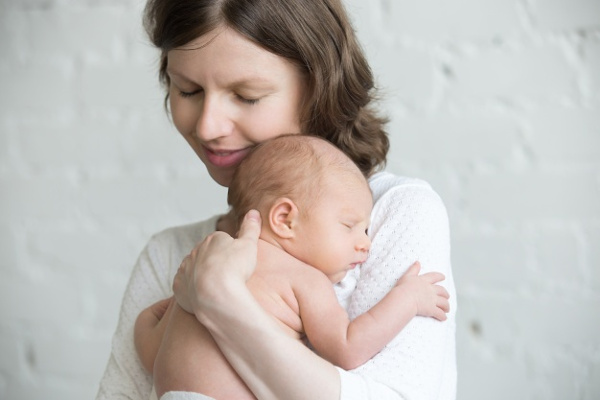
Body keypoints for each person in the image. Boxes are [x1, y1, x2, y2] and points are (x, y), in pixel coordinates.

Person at [96, 0, 457, 399]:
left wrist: (223, 302)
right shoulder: (168, 255)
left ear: (318, 87)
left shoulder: (397, 213)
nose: (208, 125)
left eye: (247, 96)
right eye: (189, 90)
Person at [133, 135, 450, 399]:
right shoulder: (305, 279)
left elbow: (152, 355)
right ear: (285, 219)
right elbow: (348, 348)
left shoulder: (211, 260)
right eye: (349, 225)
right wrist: (406, 300)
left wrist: (149, 316)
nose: (364, 243)